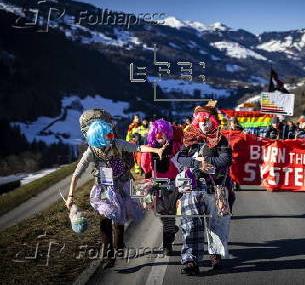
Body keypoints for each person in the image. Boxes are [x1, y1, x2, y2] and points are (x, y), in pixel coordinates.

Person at [66, 116, 167, 269]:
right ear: (98, 137)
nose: (110, 136)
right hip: (103, 188)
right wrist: (71, 196)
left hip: (121, 184)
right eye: (107, 135)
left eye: (110, 134)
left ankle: (119, 245)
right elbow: (76, 174)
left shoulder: (116, 144)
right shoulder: (91, 151)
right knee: (104, 220)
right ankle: (108, 256)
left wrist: (156, 149)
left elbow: (137, 148)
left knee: (119, 217)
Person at [176, 101, 234, 275]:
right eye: (199, 119)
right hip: (192, 188)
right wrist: (195, 163)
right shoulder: (190, 137)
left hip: (215, 188)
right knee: (190, 223)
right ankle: (190, 260)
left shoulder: (220, 139)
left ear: (213, 120)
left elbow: (226, 160)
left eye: (206, 119)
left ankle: (215, 255)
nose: (203, 122)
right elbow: (179, 158)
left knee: (216, 224)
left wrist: (206, 162)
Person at [140, 119, 182, 256]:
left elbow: (182, 163)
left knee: (169, 214)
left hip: (172, 183)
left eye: (162, 133)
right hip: (157, 183)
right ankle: (171, 229)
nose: (159, 135)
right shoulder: (150, 148)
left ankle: (167, 245)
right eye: (156, 133)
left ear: (167, 134)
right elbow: (145, 167)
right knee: (159, 211)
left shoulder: (175, 146)